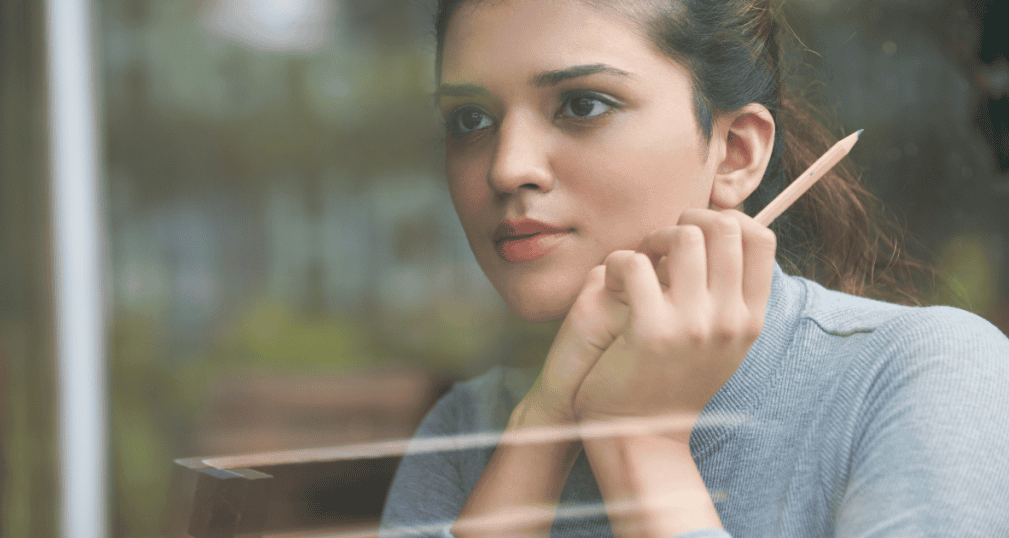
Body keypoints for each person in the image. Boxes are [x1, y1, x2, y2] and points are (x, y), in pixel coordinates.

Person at [380, 0, 1009, 536]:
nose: (506, 167)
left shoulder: (923, 379)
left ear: (734, 154)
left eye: (582, 105)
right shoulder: (468, 433)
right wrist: (540, 433)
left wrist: (644, 446)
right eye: (470, 119)